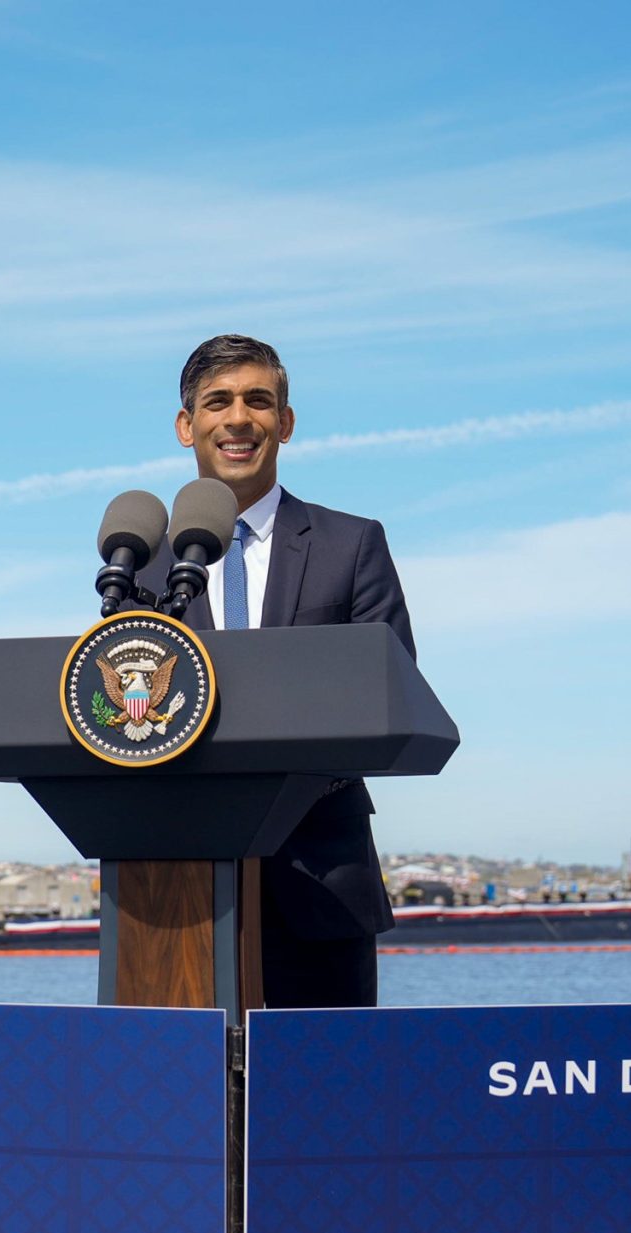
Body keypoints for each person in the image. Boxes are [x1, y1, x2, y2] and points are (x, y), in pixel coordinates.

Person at [141, 334, 414, 1008]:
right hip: (174, 896)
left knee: (327, 1104)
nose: (238, 419)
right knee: (183, 1105)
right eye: (218, 403)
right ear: (187, 425)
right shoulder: (141, 566)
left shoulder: (351, 545)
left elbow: (392, 690)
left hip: (321, 885)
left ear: (284, 423)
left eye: (258, 401)